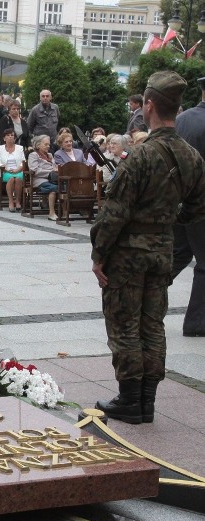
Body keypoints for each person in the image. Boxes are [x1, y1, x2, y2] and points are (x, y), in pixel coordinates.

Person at [91, 71, 205, 425]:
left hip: (127, 256)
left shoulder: (140, 157)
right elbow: (199, 207)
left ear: (150, 105)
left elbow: (114, 214)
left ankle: (129, 400)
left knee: (125, 324)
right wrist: (168, 221)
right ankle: (146, 401)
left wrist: (98, 254)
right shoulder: (191, 157)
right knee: (152, 325)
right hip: (162, 252)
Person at [171, 74, 205, 338]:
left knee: (179, 254)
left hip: (178, 198)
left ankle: (142, 299)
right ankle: (196, 323)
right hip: (202, 202)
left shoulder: (181, 119)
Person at [28, 134, 59, 220]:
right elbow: (34, 170)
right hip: (39, 180)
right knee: (54, 188)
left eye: (49, 144)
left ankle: (63, 212)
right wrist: (50, 172)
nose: (48, 146)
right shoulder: (33, 155)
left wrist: (56, 169)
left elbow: (54, 166)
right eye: (45, 144)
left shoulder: (49, 155)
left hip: (52, 179)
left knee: (64, 187)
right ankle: (51, 213)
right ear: (38, 145)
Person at [0, 128, 26, 212]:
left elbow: (23, 162)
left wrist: (17, 170)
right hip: (5, 171)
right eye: (8, 135)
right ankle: (11, 201)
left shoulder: (20, 148)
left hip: (18, 170)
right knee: (12, 179)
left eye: (12, 135)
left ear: (15, 138)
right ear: (4, 138)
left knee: (18, 179)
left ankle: (18, 201)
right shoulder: (0, 148)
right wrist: (7, 170)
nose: (10, 137)